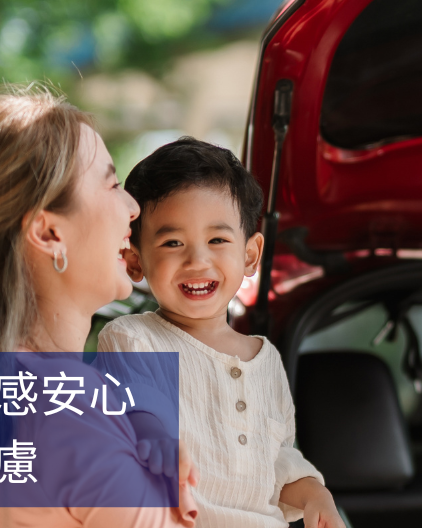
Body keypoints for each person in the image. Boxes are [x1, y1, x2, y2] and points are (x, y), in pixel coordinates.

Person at [0, 84, 198, 528]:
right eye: (112, 184)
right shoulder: (65, 405)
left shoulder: (1, 396)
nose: (132, 206)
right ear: (49, 233)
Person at [93, 137, 344, 528]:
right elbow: (138, 413)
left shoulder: (266, 360)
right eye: (172, 242)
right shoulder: (133, 338)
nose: (197, 260)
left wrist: (315, 494)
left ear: (250, 255)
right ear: (135, 261)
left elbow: (276, 462)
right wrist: (154, 440)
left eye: (217, 240)